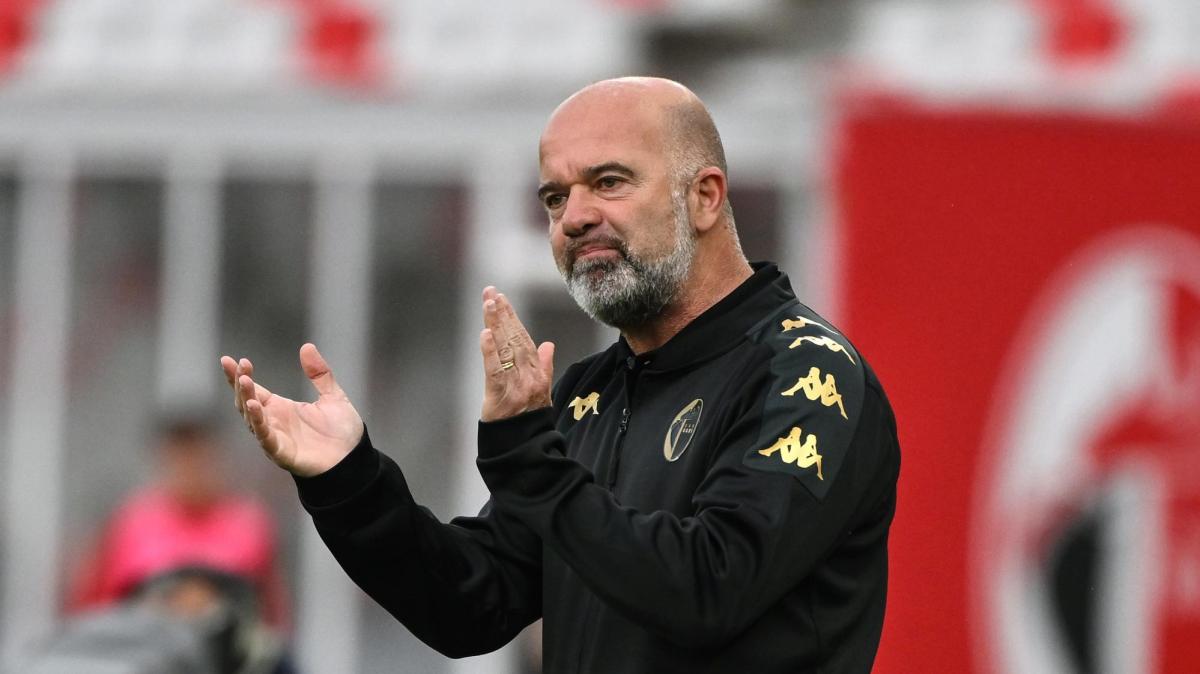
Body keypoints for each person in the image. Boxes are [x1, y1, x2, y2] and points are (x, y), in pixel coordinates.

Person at [220, 77, 901, 673]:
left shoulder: (806, 375)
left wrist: (530, 460)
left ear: (704, 197)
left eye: (609, 182)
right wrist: (349, 481)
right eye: (554, 197)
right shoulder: (589, 394)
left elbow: (710, 588)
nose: (573, 218)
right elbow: (471, 603)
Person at [68, 415, 290, 631]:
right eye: (180, 452)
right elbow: (93, 605)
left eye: (199, 452)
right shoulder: (130, 521)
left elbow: (270, 614)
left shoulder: (249, 523)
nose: (190, 465)